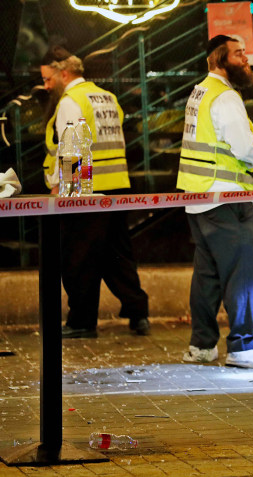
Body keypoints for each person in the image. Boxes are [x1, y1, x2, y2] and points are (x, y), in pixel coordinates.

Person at [177, 35, 253, 368]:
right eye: (238, 54)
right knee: (240, 274)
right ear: (216, 59)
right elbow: (244, 149)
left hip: (199, 197)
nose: (246, 60)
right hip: (227, 198)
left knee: (207, 276)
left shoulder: (201, 92)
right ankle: (243, 347)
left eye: (245, 54)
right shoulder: (225, 97)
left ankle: (202, 346)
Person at [40, 46, 150, 339]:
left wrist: (65, 189)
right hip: (117, 185)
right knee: (119, 255)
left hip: (86, 190)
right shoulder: (108, 97)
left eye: (49, 79)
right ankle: (138, 313)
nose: (46, 85)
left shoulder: (71, 101)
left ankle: (81, 321)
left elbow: (72, 149)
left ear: (64, 73)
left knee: (79, 258)